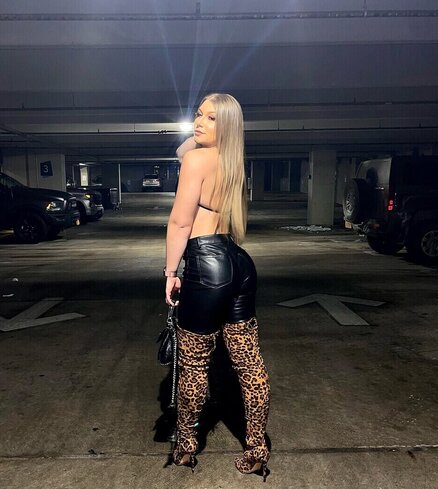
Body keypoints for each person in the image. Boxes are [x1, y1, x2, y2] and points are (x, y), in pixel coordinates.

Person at [164, 93, 271, 480]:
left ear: (226, 126)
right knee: (250, 365)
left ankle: (185, 447)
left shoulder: (198, 161)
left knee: (194, 366)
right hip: (239, 262)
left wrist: (170, 271)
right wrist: (204, 132)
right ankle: (257, 449)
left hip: (206, 265)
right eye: (198, 115)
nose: (199, 122)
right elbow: (183, 148)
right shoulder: (232, 161)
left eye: (211, 118)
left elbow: (180, 222)